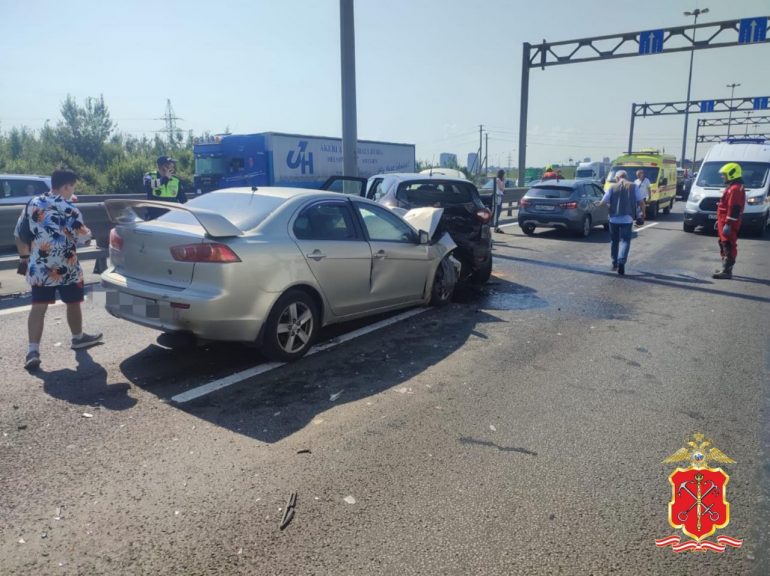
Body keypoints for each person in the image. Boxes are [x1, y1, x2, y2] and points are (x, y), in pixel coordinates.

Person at [14, 169, 103, 371]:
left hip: (40, 267)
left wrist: (24, 258)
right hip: (67, 267)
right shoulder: (69, 208)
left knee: (38, 307)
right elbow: (84, 236)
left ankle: (32, 351)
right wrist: (88, 234)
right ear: (66, 186)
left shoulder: (32, 203)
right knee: (73, 303)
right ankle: (78, 338)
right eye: (72, 188)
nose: (73, 193)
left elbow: (20, 234)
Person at [599, 170, 646, 276]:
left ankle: (614, 262)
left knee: (614, 241)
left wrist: (600, 205)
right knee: (625, 241)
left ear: (617, 178)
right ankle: (621, 261)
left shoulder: (612, 187)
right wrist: (643, 214)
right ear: (626, 177)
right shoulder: (634, 186)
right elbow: (641, 202)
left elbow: (603, 202)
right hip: (627, 219)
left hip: (613, 219)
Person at [712, 162, 745, 279]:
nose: (723, 177)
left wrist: (728, 224)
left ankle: (727, 271)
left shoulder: (735, 189)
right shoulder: (732, 187)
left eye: (724, 175)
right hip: (723, 220)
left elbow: (734, 208)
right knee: (723, 243)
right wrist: (720, 221)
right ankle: (725, 268)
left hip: (728, 221)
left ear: (732, 174)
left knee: (728, 244)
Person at [493, 169, 505, 233]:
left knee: (499, 211)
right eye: (503, 174)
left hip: (500, 196)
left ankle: (496, 226)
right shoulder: (498, 180)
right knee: (497, 211)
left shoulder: (499, 180)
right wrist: (503, 181)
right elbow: (501, 188)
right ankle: (496, 226)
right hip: (498, 196)